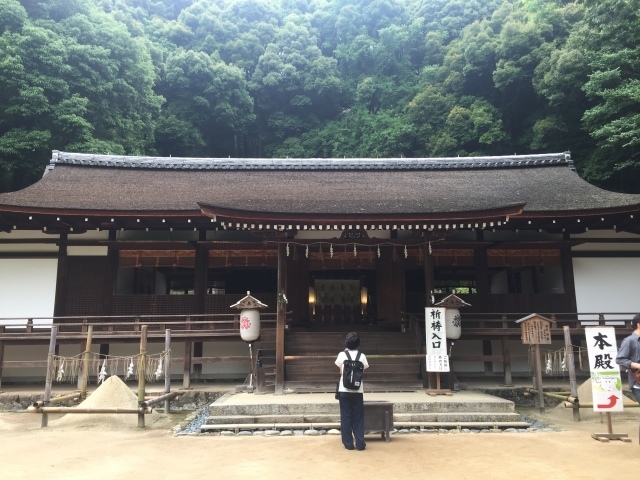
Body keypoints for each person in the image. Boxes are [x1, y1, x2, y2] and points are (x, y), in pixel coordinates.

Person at [335, 331, 369, 451]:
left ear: (346, 343)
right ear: (358, 343)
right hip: (358, 391)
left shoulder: (341, 355)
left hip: (344, 390)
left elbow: (340, 372)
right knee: (358, 417)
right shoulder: (362, 356)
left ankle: (348, 443)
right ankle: (360, 443)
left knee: (345, 416)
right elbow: (362, 373)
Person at [615, 313, 640, 403]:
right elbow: (619, 359)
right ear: (638, 324)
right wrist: (637, 365)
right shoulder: (629, 340)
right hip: (638, 384)